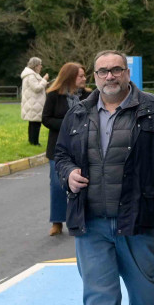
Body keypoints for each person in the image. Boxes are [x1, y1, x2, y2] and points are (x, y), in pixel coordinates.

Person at [54, 50, 154, 305]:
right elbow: (61, 154)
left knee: (144, 293)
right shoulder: (77, 112)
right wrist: (68, 173)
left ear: (127, 73)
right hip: (91, 223)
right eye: (103, 71)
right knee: (99, 295)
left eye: (116, 70)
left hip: (139, 220)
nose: (110, 76)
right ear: (95, 77)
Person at [41, 62, 90, 236]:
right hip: (58, 147)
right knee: (57, 185)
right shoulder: (54, 95)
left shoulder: (90, 96)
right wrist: (68, 124)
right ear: (70, 77)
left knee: (83, 183)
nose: (84, 79)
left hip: (84, 146)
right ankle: (57, 222)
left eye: (84, 76)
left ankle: (81, 219)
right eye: (81, 76)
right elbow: (46, 119)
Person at [21, 57, 50, 146]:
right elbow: (37, 88)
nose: (41, 66)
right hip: (33, 103)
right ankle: (35, 142)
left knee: (33, 124)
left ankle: (32, 141)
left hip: (33, 103)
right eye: (39, 64)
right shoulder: (31, 76)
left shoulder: (31, 75)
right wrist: (44, 80)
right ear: (35, 66)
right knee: (35, 124)